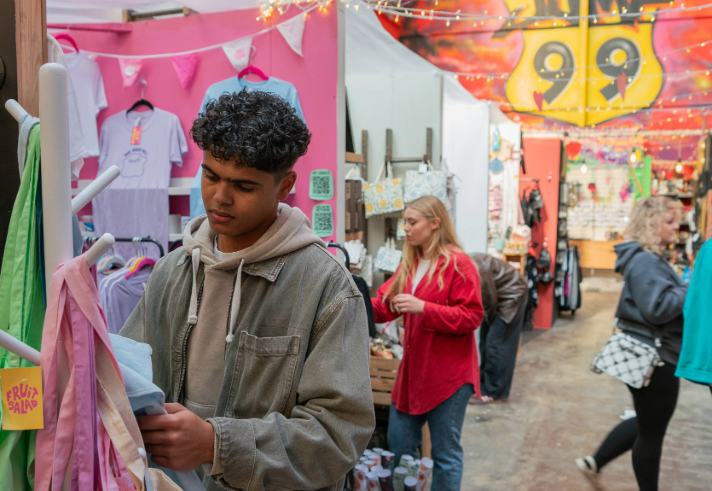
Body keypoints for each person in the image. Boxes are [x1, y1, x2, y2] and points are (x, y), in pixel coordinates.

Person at [120, 90, 375, 491]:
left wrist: (217, 445)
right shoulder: (172, 272)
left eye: (244, 185)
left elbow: (338, 434)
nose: (220, 197)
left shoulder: (325, 286)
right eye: (211, 176)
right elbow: (128, 380)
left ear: (285, 184)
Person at [372, 195, 484, 491]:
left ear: (435, 224)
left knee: (445, 454)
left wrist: (424, 308)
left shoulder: (459, 265)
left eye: (412, 222)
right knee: (399, 448)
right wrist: (346, 297)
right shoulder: (410, 262)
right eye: (404, 222)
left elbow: (472, 317)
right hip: (412, 376)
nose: (405, 229)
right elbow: (385, 306)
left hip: (449, 378)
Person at [576, 197, 687, 491]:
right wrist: (690, 288)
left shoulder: (646, 258)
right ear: (651, 223)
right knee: (652, 432)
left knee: (648, 423)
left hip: (653, 354)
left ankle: (596, 461)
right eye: (669, 222)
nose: (676, 228)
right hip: (655, 356)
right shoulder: (646, 260)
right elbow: (657, 308)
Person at [469, 253, 528, 404]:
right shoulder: (465, 264)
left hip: (512, 294)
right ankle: (483, 386)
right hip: (498, 296)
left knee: (496, 344)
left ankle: (494, 392)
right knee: (485, 342)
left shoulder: (474, 268)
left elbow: (488, 299)